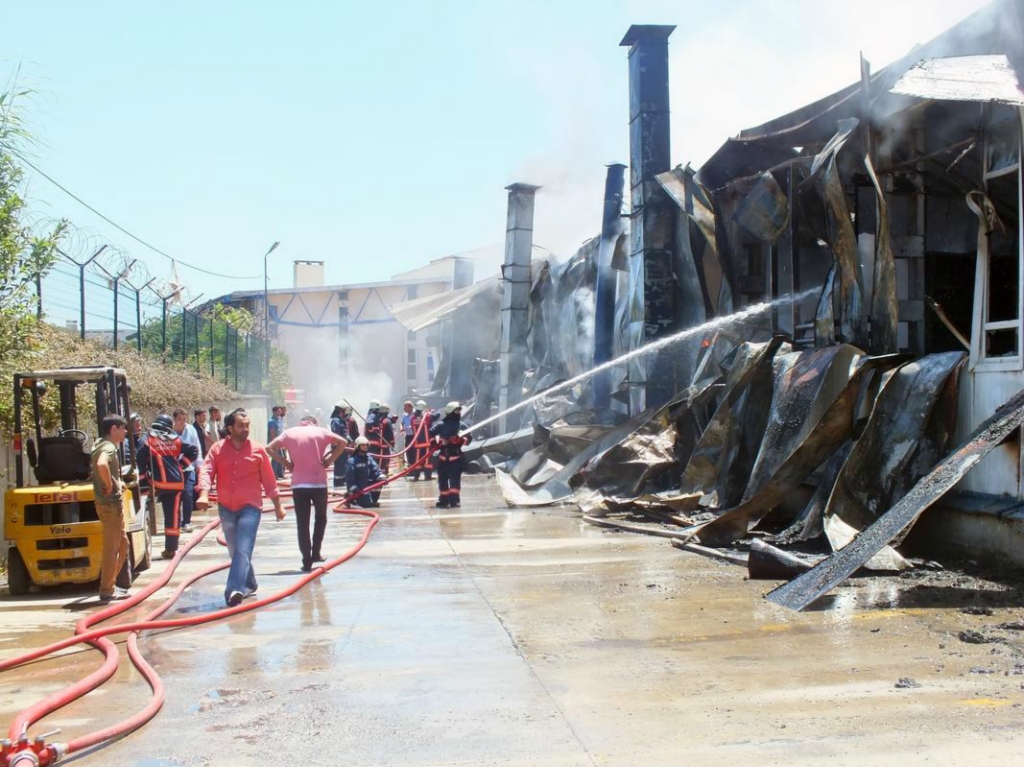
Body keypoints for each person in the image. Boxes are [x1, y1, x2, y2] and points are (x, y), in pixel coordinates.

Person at [196, 409, 285, 607]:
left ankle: (234, 590)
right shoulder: (218, 449)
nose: (245, 429)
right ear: (230, 428)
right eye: (241, 426)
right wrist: (203, 493)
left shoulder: (257, 450)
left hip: (250, 508)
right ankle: (250, 583)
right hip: (226, 508)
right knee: (235, 550)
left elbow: (269, 480)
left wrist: (278, 505)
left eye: (247, 425)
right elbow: (207, 470)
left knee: (243, 548)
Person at [267, 415, 348, 572]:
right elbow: (343, 443)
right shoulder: (322, 432)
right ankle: (316, 552)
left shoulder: (289, 433)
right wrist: (329, 461)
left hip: (299, 484)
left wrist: (287, 464)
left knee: (302, 523)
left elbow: (269, 448)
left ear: (301, 422)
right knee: (321, 518)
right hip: (318, 483)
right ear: (313, 423)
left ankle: (306, 560)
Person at [137, 414, 199, 558]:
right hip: (176, 484)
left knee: (142, 514)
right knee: (173, 517)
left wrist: (144, 485)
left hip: (156, 485)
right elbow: (194, 450)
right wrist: (182, 465)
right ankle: (171, 549)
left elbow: (140, 461)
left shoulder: (148, 441)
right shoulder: (176, 440)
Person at [91, 414, 131, 602]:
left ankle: (110, 584)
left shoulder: (100, 444)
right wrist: (109, 484)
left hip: (110, 506)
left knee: (123, 545)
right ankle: (107, 590)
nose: (125, 432)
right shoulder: (108, 447)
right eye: (123, 429)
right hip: (110, 506)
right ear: (114, 429)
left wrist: (116, 481)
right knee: (112, 548)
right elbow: (101, 464)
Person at [429, 401, 472, 508]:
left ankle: (455, 501)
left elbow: (469, 439)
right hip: (443, 459)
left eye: (459, 411)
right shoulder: (440, 425)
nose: (458, 413)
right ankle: (444, 500)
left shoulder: (462, 426)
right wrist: (439, 441)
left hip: (456, 459)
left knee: (455, 483)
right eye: (456, 411)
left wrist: (460, 440)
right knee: (442, 481)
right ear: (450, 412)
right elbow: (429, 435)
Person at [173, 408, 202, 533]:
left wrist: (199, 465)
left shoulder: (191, 430)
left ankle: (186, 522)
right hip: (173, 469)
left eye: (184, 419)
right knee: (175, 497)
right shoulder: (169, 432)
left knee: (188, 495)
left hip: (188, 467)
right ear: (174, 419)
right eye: (179, 419)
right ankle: (175, 522)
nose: (182, 422)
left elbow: (197, 447)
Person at [346, 436, 385, 508]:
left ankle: (373, 500)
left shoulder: (368, 458)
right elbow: (349, 478)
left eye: (366, 445)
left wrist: (380, 476)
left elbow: (375, 468)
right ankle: (351, 500)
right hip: (358, 489)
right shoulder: (352, 461)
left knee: (379, 482)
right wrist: (355, 489)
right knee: (367, 505)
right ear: (358, 446)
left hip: (366, 486)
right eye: (363, 445)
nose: (365, 447)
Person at [329, 401, 360, 487]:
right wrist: (345, 438)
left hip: (343, 448)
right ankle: (338, 484)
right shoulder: (336, 421)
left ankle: (342, 482)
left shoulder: (341, 420)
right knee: (339, 467)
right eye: (345, 410)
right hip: (338, 448)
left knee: (343, 466)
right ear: (340, 411)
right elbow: (336, 434)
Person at [409, 400, 435, 482]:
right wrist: (430, 412)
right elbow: (437, 415)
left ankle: (416, 476)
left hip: (417, 444)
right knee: (427, 462)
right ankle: (428, 477)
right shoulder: (427, 416)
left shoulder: (412, 418)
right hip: (426, 444)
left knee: (418, 462)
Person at [268, 405, 286, 479]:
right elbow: (272, 434)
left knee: (280, 458)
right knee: (276, 459)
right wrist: (274, 444)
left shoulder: (277, 420)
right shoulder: (272, 421)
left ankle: (279, 474)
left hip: (279, 442)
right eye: (279, 411)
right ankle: (274, 475)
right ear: (274, 412)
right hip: (275, 443)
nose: (280, 412)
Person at [377, 403, 395, 474]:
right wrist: (392, 443)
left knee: (380, 460)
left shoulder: (378, 420)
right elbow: (390, 433)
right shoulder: (387, 421)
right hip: (385, 445)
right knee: (385, 460)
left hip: (378, 445)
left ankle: (381, 473)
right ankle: (384, 473)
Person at [400, 401, 414, 467]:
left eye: (405, 407)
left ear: (410, 407)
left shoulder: (415, 414)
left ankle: (414, 467)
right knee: (408, 451)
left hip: (414, 436)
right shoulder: (404, 415)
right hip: (408, 436)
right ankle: (409, 466)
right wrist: (401, 427)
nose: (404, 408)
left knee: (413, 452)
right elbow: (402, 423)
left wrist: (411, 427)